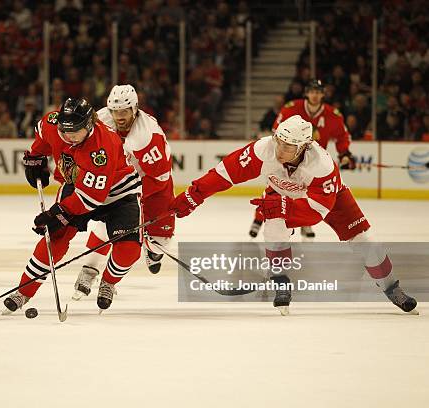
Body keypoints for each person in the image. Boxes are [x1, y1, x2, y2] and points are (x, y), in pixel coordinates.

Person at [171, 115, 417, 315]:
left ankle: (390, 286)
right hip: (282, 194)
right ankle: (280, 281)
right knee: (274, 226)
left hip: (330, 200)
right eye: (279, 141)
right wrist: (193, 196)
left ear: (303, 147)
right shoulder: (263, 149)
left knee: (367, 242)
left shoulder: (321, 165)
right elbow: (224, 173)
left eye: (288, 147)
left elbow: (316, 214)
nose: (280, 150)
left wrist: (283, 208)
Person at [2, 97, 142, 314]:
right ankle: (24, 291)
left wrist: (58, 212)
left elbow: (92, 197)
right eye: (64, 131)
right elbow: (42, 134)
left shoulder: (103, 147)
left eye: (75, 132)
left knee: (129, 250)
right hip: (77, 186)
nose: (68, 136)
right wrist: (35, 157)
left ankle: (108, 281)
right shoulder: (52, 123)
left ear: (89, 126)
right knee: (55, 238)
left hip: (118, 194)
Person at [71, 85, 176, 299]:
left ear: (135, 109)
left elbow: (160, 177)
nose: (119, 116)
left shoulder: (147, 135)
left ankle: (153, 252)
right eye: (115, 111)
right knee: (104, 226)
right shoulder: (99, 120)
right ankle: (89, 270)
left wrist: (135, 199)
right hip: (120, 178)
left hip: (153, 183)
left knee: (160, 241)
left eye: (124, 111)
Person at [249, 79, 357, 239]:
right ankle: (259, 219)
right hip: (286, 159)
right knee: (275, 190)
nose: (315, 95)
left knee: (307, 195)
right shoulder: (291, 109)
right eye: (312, 91)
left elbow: (342, 136)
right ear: (307, 93)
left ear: (322, 95)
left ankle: (304, 224)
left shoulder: (332, 115)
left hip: (312, 165)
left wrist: (345, 154)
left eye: (318, 92)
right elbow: (276, 131)